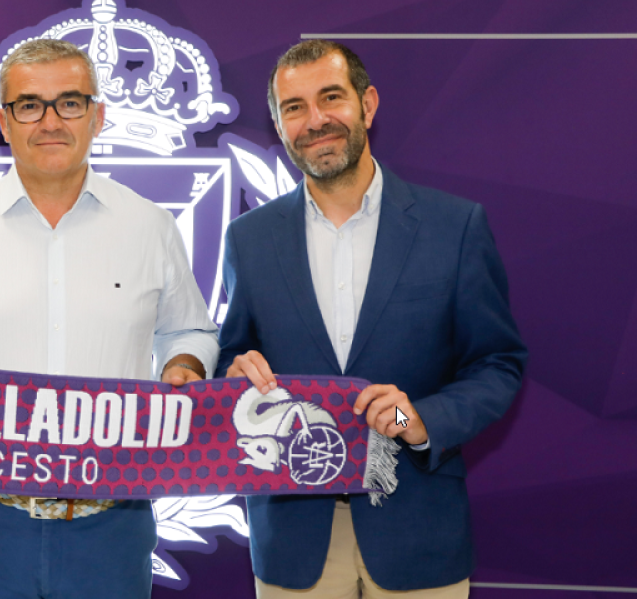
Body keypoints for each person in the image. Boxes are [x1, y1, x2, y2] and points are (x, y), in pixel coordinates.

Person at [0, 38, 219, 599]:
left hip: (111, 525)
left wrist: (185, 363)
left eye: (70, 103)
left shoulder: (150, 227)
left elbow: (190, 331)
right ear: (4, 123)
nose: (50, 121)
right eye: (29, 105)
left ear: (98, 116)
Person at [218, 39, 527, 597]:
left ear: (368, 104)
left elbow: (497, 364)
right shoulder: (248, 239)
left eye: (330, 98)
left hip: (418, 532)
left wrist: (419, 422)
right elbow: (230, 363)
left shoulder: (453, 227)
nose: (315, 121)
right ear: (280, 125)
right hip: (292, 539)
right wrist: (234, 383)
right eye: (294, 108)